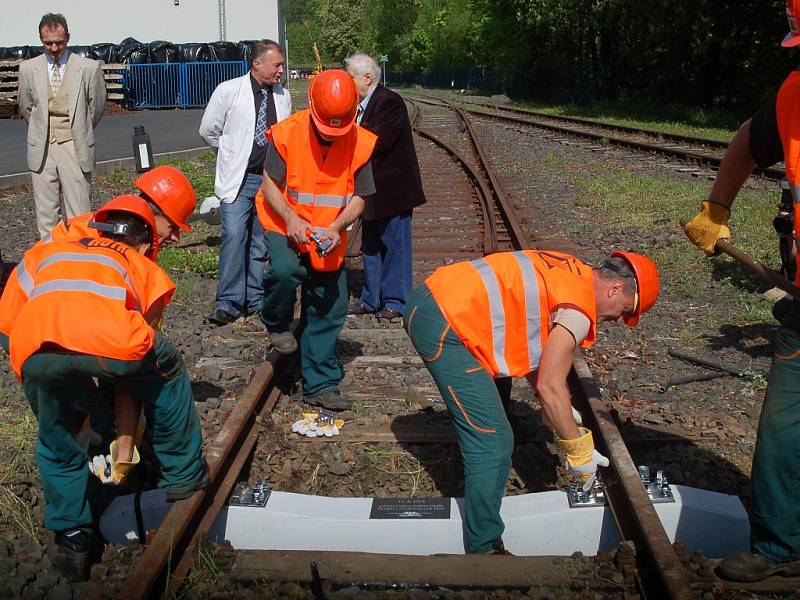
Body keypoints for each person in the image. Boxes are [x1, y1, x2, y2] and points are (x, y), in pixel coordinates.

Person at [0, 195, 207, 581]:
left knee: (57, 435)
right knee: (168, 374)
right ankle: (183, 477)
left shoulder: (50, 251)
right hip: (109, 346)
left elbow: (9, 324)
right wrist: (126, 439)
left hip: (33, 347)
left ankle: (72, 537)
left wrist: (47, 389)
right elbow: (133, 364)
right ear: (146, 243)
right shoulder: (143, 267)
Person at [403, 250, 658, 554]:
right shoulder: (578, 311)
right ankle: (484, 548)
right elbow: (551, 384)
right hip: (442, 321)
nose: (620, 319)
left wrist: (556, 404)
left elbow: (537, 353)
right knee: (493, 440)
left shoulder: (572, 271)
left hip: (439, 299)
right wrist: (577, 450)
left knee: (494, 418)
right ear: (615, 288)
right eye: (626, 310)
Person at [683, 0, 800, 582]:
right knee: (783, 425)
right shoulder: (794, 95)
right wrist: (716, 208)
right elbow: (747, 143)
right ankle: (781, 545)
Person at [256, 69, 377, 411]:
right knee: (283, 270)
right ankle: (277, 323)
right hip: (283, 221)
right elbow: (268, 184)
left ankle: (320, 384)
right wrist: (292, 219)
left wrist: (336, 227)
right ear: (311, 107)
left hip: (327, 231)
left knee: (329, 303)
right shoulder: (287, 134)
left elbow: (361, 196)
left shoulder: (361, 141)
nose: (332, 135)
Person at [199, 39, 292, 326]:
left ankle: (254, 298)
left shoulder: (283, 95)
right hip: (238, 179)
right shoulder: (228, 91)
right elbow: (208, 131)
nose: (281, 70)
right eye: (276, 65)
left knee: (261, 243)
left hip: (269, 181)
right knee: (234, 236)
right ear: (257, 64)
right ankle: (228, 301)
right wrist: (231, 153)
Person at [344, 53, 426, 322]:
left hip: (393, 188)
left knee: (394, 245)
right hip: (371, 188)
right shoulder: (360, 105)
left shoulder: (388, 101)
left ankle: (395, 300)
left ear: (367, 77)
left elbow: (378, 142)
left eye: (350, 76)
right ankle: (371, 298)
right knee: (370, 245)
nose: (347, 81)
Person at [17, 13, 107, 240]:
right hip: (42, 147)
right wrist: (41, 129)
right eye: (48, 43)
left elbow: (96, 106)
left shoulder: (88, 68)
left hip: (74, 145)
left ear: (68, 37)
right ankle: (51, 263)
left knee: (80, 212)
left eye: (59, 42)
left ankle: (84, 259)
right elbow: (26, 106)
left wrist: (80, 129)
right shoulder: (28, 69)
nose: (54, 48)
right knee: (46, 215)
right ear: (41, 40)